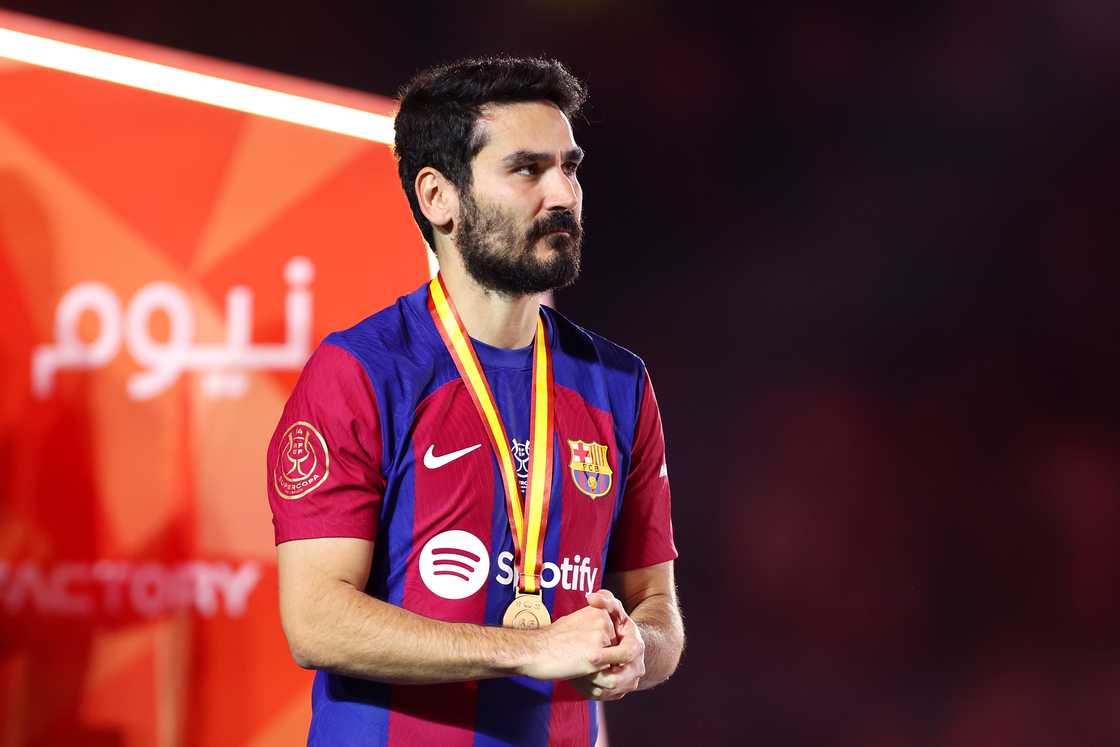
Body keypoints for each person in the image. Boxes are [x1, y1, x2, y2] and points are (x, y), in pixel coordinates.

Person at [266, 56, 683, 746]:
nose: (562, 194)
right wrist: (527, 648)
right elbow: (314, 619)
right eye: (526, 170)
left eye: (570, 167)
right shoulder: (362, 372)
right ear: (439, 198)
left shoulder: (619, 383)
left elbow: (658, 607)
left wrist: (639, 645)